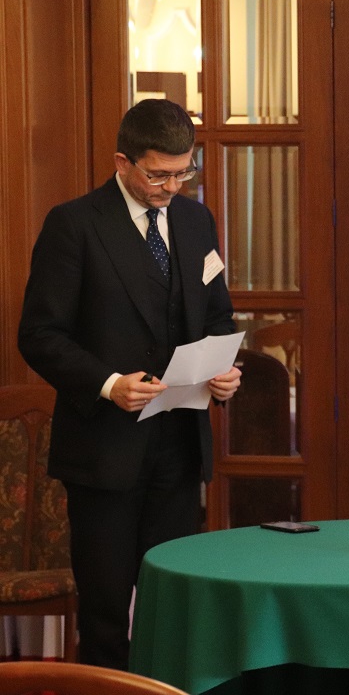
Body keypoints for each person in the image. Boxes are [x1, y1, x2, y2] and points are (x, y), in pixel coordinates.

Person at [18, 98, 242, 669]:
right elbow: (39, 335)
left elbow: (218, 315)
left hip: (180, 448)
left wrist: (224, 370)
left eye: (183, 172)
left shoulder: (195, 221)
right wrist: (108, 382)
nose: (172, 187)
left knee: (174, 605)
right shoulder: (74, 225)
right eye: (159, 174)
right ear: (123, 162)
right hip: (104, 451)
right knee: (105, 611)